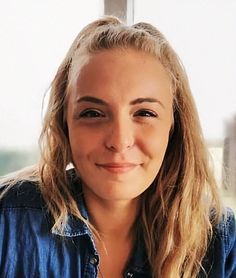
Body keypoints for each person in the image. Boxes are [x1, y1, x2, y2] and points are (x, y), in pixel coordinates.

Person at [0, 15, 235, 278]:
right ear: (64, 123)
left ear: (174, 126)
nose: (119, 140)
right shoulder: (6, 221)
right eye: (92, 113)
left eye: (144, 113)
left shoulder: (221, 241)